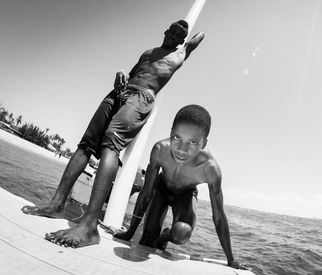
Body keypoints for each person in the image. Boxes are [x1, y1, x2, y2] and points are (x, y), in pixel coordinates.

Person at [21, 20, 205, 248]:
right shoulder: (147, 52)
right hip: (118, 94)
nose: (175, 34)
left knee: (111, 144)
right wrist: (121, 73)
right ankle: (56, 204)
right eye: (173, 30)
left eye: (180, 34)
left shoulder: (179, 55)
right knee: (86, 144)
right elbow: (131, 74)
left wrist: (186, 39)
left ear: (181, 40)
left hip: (141, 98)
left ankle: (89, 227)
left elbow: (200, 36)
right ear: (165, 31)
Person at [109, 105, 251, 270]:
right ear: (170, 133)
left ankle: (165, 237)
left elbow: (218, 215)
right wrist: (129, 233)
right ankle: (153, 236)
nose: (182, 150)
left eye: (192, 142)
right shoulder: (160, 150)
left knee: (181, 233)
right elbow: (147, 191)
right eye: (177, 137)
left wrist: (231, 259)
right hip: (161, 188)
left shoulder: (210, 169)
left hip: (186, 194)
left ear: (204, 143)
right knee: (147, 240)